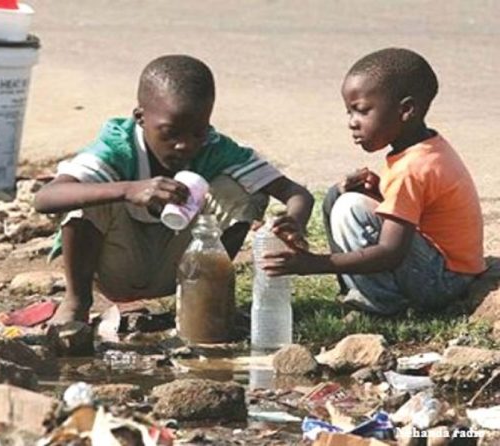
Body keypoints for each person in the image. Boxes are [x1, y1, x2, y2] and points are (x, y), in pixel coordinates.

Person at [34, 54, 314, 324]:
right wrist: (128, 189)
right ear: (140, 117)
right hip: (112, 268)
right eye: (171, 133)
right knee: (88, 194)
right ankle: (76, 303)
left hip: (184, 269)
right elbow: (45, 198)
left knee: (242, 191)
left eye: (197, 132)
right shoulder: (118, 147)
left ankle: (206, 298)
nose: (185, 145)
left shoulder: (214, 147)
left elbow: (296, 193)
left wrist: (295, 223)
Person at [263, 48, 485, 315]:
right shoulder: (425, 147)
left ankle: (381, 305)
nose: (352, 123)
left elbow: (391, 252)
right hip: (443, 270)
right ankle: (354, 289)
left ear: (406, 110)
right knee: (337, 195)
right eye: (349, 113)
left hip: (443, 281)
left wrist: (314, 264)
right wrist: (380, 190)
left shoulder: (412, 168)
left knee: (351, 208)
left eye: (361, 111)